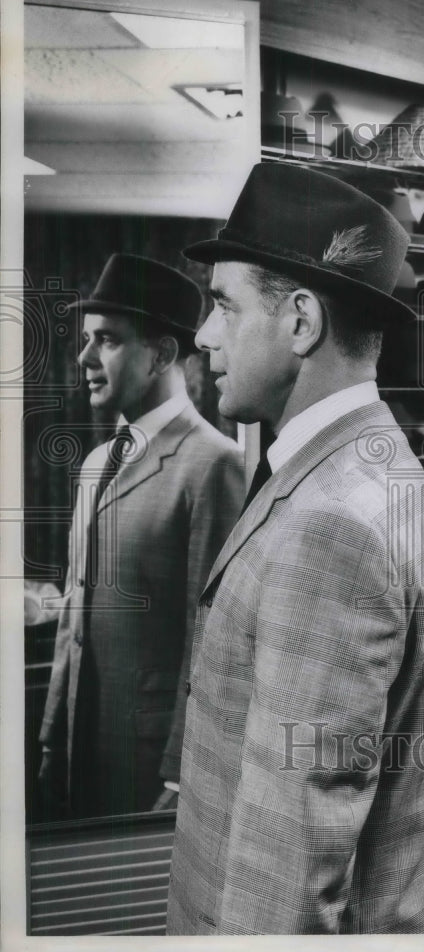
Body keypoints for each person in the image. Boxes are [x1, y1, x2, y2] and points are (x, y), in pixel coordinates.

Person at [166, 164, 424, 935]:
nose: (202, 335)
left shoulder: (333, 522)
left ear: (300, 322)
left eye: (223, 304)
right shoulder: (357, 470)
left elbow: (285, 870)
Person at [37, 253, 245, 819]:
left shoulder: (214, 465)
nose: (84, 358)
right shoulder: (95, 464)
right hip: (83, 745)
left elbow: (216, 643)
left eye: (106, 340)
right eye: (85, 340)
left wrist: (182, 780)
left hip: (153, 767)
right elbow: (74, 622)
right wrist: (53, 736)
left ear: (163, 353)